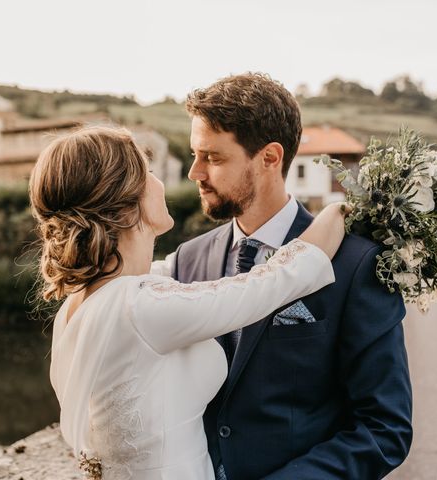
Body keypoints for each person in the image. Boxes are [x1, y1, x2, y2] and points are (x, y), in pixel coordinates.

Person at [30, 125, 349, 480]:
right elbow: (273, 283)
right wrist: (341, 211)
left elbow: (156, 277)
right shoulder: (140, 306)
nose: (162, 181)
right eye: (148, 173)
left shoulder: (79, 306)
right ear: (124, 205)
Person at [164, 73, 412, 480]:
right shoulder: (186, 262)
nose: (195, 172)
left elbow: (384, 428)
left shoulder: (355, 263)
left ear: (269, 157)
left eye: (213, 157)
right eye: (195, 154)